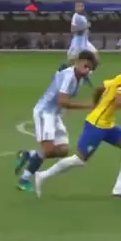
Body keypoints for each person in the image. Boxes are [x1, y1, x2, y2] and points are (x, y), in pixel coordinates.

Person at [34, 63, 121, 199]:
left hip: (107, 125)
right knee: (79, 160)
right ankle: (42, 176)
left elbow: (100, 87)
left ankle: (119, 188)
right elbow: (120, 100)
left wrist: (95, 103)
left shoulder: (119, 78)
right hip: (96, 125)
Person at [15, 51, 98, 192]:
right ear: (78, 62)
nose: (87, 70)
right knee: (48, 149)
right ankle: (24, 179)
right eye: (86, 66)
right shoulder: (69, 77)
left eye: (90, 69)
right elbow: (62, 101)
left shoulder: (80, 77)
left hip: (55, 114)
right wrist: (87, 106)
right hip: (45, 112)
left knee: (63, 150)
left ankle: (28, 155)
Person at [59, 1, 99, 82]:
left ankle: (86, 73)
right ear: (75, 8)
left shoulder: (84, 16)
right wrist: (84, 28)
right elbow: (73, 29)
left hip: (85, 41)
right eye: (78, 7)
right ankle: (65, 72)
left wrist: (86, 29)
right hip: (78, 41)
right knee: (73, 60)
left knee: (95, 55)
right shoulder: (76, 17)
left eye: (81, 6)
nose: (80, 8)